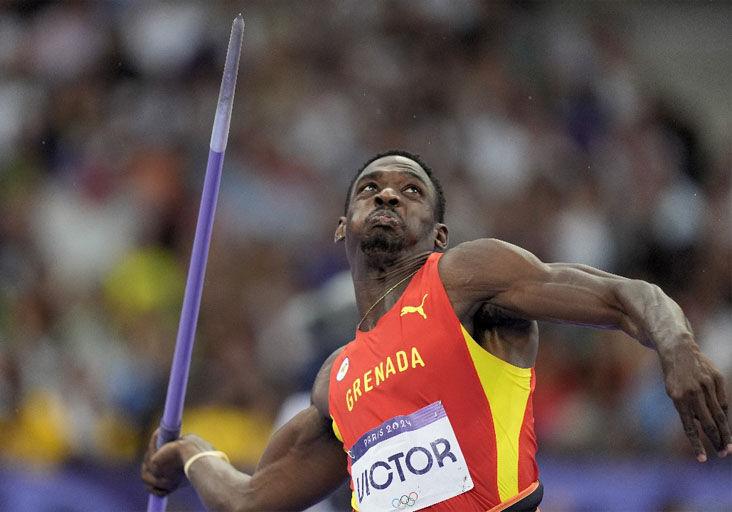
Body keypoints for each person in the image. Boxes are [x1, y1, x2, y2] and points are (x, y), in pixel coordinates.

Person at [142, 150, 730, 512]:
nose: (389, 193)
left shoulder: (463, 281)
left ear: (439, 234)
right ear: (342, 227)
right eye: (369, 189)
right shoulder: (336, 381)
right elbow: (249, 501)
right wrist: (191, 453)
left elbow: (628, 296)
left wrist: (676, 344)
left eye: (411, 189)